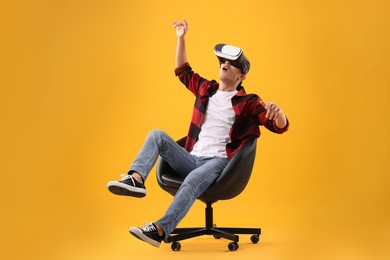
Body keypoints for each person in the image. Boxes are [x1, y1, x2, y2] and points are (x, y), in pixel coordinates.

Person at [106, 19, 289, 248]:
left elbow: (278, 126)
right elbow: (182, 71)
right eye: (222, 60)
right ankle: (136, 179)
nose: (224, 64)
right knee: (157, 135)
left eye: (231, 63)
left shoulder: (248, 101)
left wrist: (278, 113)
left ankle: (160, 229)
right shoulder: (206, 89)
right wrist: (181, 38)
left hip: (219, 163)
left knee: (192, 179)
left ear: (241, 76)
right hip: (191, 157)